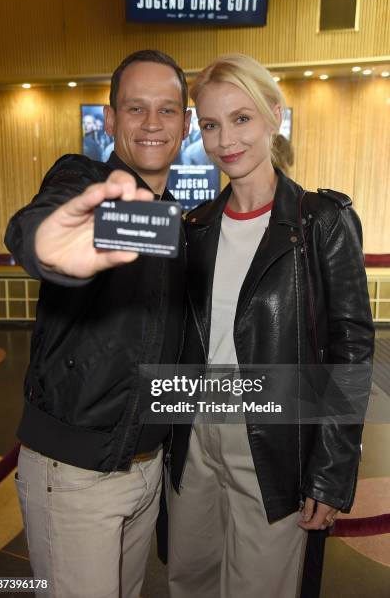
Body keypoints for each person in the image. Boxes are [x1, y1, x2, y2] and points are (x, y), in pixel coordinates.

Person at [166, 54, 374, 598]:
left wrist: (332, 471)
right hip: (192, 430)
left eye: (242, 119)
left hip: (274, 436)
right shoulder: (197, 227)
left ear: (274, 116)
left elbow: (350, 352)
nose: (225, 139)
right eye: (210, 125)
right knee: (189, 580)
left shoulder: (321, 222)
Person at [4, 49, 191, 598]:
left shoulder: (175, 218)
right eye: (135, 108)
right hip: (75, 477)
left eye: (167, 109)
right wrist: (46, 245)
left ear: (184, 122)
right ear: (109, 121)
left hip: (146, 470)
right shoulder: (83, 180)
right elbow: (40, 222)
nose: (152, 123)